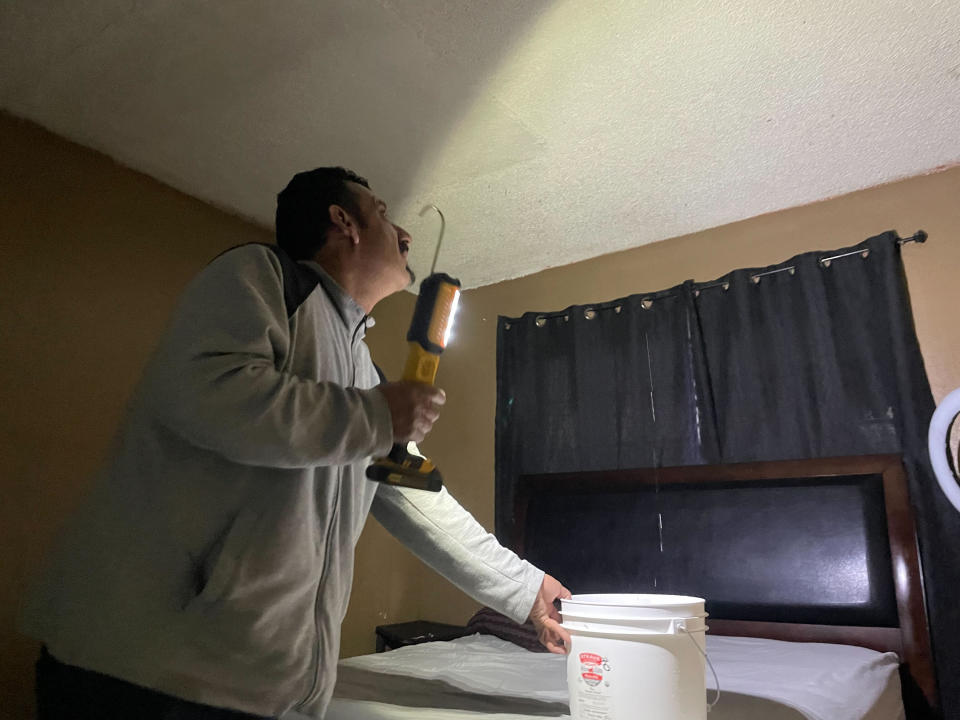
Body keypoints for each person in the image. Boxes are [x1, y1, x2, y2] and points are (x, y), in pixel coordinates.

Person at [20, 167, 571, 720]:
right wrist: (377, 414)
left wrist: (526, 590)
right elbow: (210, 397)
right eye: (382, 213)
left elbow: (419, 499)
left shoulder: (364, 372)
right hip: (136, 675)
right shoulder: (261, 276)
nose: (405, 235)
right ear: (343, 222)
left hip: (262, 693)